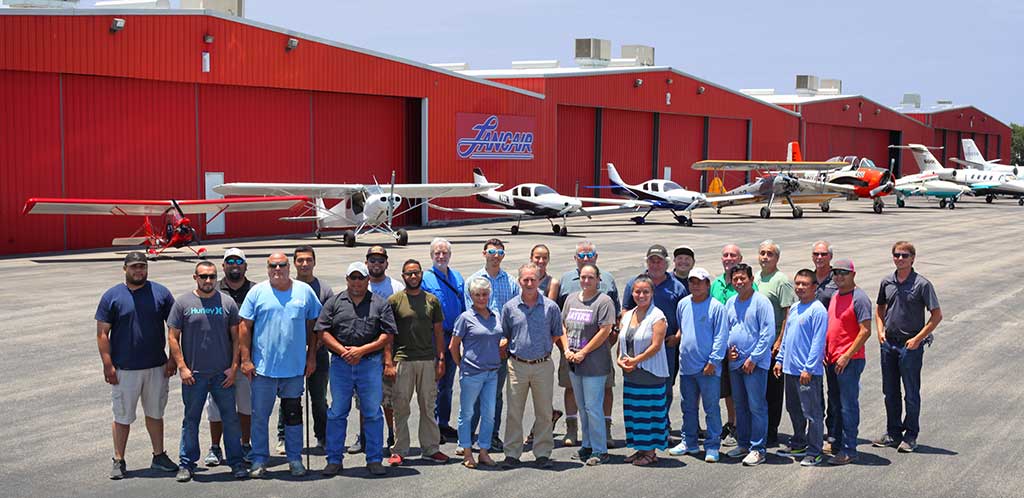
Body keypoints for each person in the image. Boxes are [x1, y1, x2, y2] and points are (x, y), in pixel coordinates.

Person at [238, 253, 323, 478]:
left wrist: (312, 356)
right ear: (267, 268)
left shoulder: (305, 292)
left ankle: (294, 459)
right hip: (263, 370)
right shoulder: (257, 292)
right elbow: (244, 327)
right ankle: (258, 459)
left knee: (293, 415)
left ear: (289, 267)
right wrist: (245, 360)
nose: (278, 269)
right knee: (259, 416)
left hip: (294, 369)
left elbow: (314, 326)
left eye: (282, 265)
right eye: (273, 265)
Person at [96, 252, 177, 480]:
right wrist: (107, 364)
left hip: (156, 367)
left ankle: (159, 456)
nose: (138, 270)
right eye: (134, 267)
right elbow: (102, 333)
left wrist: (172, 359)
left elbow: (174, 329)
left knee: (155, 413)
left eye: (142, 266)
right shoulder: (112, 296)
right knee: (122, 416)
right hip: (124, 370)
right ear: (125, 269)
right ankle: (119, 460)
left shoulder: (160, 293)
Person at [167, 261, 248, 481]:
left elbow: (236, 339)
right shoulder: (183, 303)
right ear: (195, 278)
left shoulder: (227, 302)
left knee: (230, 419)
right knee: (190, 420)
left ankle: (236, 462)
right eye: (203, 277)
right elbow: (173, 337)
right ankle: (187, 463)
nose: (208, 281)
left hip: (222, 375)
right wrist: (182, 367)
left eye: (212, 276)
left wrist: (233, 368)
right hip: (194, 376)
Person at [318, 262, 396, 477]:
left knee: (372, 413)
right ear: (347, 279)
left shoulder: (380, 303)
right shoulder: (334, 302)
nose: (357, 282)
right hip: (341, 365)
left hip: (369, 364)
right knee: (337, 413)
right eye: (353, 277)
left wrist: (361, 351)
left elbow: (387, 334)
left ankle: (374, 459)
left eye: (360, 278)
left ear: (367, 280)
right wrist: (344, 351)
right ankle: (334, 460)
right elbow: (323, 332)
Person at [872, 242, 942, 454]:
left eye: (904, 256)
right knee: (890, 391)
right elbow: (880, 308)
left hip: (910, 345)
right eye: (896, 255)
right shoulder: (887, 282)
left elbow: (936, 315)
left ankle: (911, 435)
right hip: (889, 344)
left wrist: (919, 339)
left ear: (913, 259)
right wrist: (880, 331)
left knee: (911, 392)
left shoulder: (922, 284)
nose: (900, 259)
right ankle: (893, 433)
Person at [386, 259, 449, 466]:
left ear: (421, 274)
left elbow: (439, 332)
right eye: (409, 274)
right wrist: (388, 362)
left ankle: (431, 449)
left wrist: (440, 359)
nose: (413, 277)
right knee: (401, 407)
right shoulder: (394, 301)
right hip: (403, 360)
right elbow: (388, 334)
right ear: (403, 276)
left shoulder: (432, 301)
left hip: (427, 360)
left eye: (416, 273)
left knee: (428, 406)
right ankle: (399, 450)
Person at [557, 241, 620, 448]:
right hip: (572, 358)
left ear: (598, 279)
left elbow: (609, 326)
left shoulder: (604, 298)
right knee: (581, 404)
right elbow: (561, 323)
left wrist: (591, 349)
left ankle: (600, 447)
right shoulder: (569, 291)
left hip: (595, 359)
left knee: (594, 405)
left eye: (590, 277)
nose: (586, 280)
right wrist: (566, 349)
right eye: (583, 277)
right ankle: (583, 441)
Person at [500, 263, 562, 469]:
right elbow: (507, 334)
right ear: (519, 281)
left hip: (542, 365)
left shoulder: (551, 307)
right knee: (514, 411)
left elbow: (556, 333)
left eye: (532, 279)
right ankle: (512, 453)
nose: (529, 283)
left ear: (539, 281)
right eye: (525, 280)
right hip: (517, 365)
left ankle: (543, 453)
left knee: (544, 412)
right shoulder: (509, 307)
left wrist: (541, 348)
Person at [275, 246, 334, 454]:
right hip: (290, 353)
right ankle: (284, 437)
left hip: (317, 351)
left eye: (308, 260)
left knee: (318, 398)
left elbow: (327, 322)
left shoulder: (325, 290)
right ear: (294, 263)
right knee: (289, 397)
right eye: (300, 260)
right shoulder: (285, 287)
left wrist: (316, 343)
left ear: (314, 262)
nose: (305, 264)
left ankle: (323, 436)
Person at [463, 238, 520, 452]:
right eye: (492, 251)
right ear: (484, 253)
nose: (496, 255)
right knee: (473, 395)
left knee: (495, 395)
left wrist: (507, 339)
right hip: (478, 349)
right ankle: (467, 438)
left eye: (500, 252)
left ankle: (492, 436)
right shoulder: (473, 281)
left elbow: (516, 314)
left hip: (502, 349)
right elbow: (471, 316)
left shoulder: (512, 282)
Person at [623, 244, 688, 432]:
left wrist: (678, 336)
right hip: (638, 345)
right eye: (652, 260)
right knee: (638, 388)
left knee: (665, 387)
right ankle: (645, 427)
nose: (656, 264)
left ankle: (661, 424)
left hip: (667, 346)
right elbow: (626, 309)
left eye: (659, 260)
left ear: (666, 263)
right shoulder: (635, 283)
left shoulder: (677, 286)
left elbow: (685, 315)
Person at [350, 245, 404, 455]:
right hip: (364, 353)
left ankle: (391, 435)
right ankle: (364, 436)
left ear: (386, 264)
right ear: (366, 264)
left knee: (388, 400)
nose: (376, 264)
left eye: (380, 261)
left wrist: (393, 357)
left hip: (388, 352)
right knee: (364, 399)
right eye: (372, 260)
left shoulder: (396, 287)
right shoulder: (360, 285)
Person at [670, 267, 728, 463]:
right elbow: (682, 329)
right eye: (692, 282)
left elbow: (721, 337)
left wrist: (713, 361)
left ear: (707, 284)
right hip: (687, 367)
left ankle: (712, 445)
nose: (695, 285)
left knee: (711, 408)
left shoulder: (716, 306)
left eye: (699, 282)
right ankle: (689, 442)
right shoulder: (683, 304)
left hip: (708, 369)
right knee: (688, 407)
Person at [773, 269, 828, 467]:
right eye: (798, 284)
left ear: (814, 287)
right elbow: (787, 336)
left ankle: (815, 451)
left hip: (807, 373)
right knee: (794, 409)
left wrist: (809, 368)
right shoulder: (795, 308)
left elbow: (818, 342)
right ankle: (798, 443)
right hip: (790, 370)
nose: (800, 287)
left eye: (805, 284)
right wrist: (780, 360)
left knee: (812, 413)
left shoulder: (818, 309)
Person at [205, 248, 254, 467]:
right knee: (215, 409)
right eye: (229, 261)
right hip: (218, 360)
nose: (235, 265)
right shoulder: (212, 290)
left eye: (239, 261)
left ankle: (245, 444)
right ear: (223, 266)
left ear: (245, 265)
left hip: (246, 360)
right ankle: (215, 447)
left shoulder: (256, 291)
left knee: (245, 406)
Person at [723, 263, 775, 466]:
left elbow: (767, 333)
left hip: (755, 365)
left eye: (742, 278)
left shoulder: (761, 302)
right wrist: (728, 349)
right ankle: (743, 444)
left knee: (757, 406)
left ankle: (758, 449)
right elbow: (727, 329)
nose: (738, 282)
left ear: (751, 279)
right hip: (735, 364)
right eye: (735, 279)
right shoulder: (730, 302)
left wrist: (753, 358)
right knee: (740, 406)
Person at [822, 258, 872, 466]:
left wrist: (846, 355)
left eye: (844, 272)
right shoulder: (835, 295)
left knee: (848, 406)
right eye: (836, 272)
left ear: (853, 274)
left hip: (849, 361)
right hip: (832, 359)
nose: (839, 276)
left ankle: (850, 449)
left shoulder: (859, 298)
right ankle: (838, 442)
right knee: (835, 403)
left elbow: (866, 330)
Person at [617, 275, 670, 466]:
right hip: (631, 373)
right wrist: (620, 360)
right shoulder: (628, 314)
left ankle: (650, 453)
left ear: (652, 293)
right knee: (634, 413)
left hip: (650, 373)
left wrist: (635, 360)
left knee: (649, 413)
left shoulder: (658, 316)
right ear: (632, 293)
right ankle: (641, 449)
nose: (641, 295)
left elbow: (656, 346)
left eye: (645, 292)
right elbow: (622, 341)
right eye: (637, 291)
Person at [451, 277, 503, 469]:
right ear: (471, 296)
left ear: (489, 295)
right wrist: (461, 365)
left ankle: (483, 451)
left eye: (484, 294)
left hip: (492, 373)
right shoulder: (466, 317)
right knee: (467, 413)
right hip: (472, 373)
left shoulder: (496, 315)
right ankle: (466, 451)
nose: (481, 298)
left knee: (489, 414)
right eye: (477, 295)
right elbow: (453, 345)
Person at [709, 244, 757, 447]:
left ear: (740, 258)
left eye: (733, 255)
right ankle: (732, 422)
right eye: (725, 255)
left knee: (745, 393)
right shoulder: (715, 283)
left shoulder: (748, 285)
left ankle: (744, 428)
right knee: (728, 390)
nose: (728, 258)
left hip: (743, 350)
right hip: (723, 347)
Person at [420, 238, 465, 442]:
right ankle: (431, 425)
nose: (441, 256)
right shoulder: (425, 279)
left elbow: (464, 307)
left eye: (444, 253)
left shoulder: (457, 277)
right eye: (437, 253)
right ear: (431, 256)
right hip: (433, 337)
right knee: (432, 384)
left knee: (447, 384)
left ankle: (443, 423)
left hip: (453, 337)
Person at [756, 240, 797, 446]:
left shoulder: (781, 280)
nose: (765, 257)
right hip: (757, 345)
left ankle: (771, 430)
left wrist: (780, 340)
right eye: (762, 253)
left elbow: (788, 312)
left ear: (777, 258)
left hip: (773, 344)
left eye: (769, 254)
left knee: (773, 390)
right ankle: (759, 428)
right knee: (758, 390)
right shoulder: (756, 278)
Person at [812, 241, 838, 308]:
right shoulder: (808, 279)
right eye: (816, 254)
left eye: (823, 254)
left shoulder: (838, 279)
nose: (819, 257)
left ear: (831, 256)